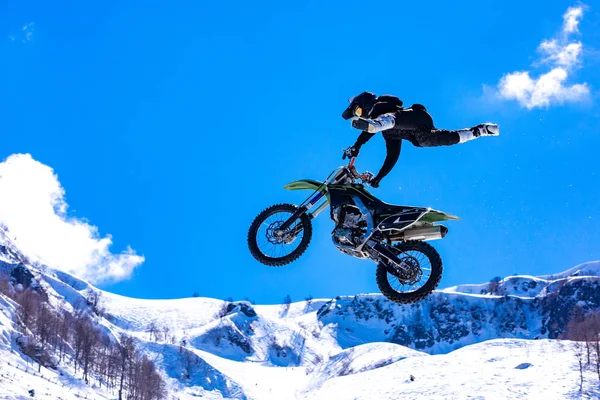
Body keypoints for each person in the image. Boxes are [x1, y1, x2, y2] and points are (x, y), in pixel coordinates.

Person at [342, 91, 499, 188]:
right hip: (421, 135)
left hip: (415, 117)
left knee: (385, 121)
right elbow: (392, 156)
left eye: (359, 110)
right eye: (358, 113)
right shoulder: (388, 133)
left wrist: (357, 145)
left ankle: (377, 124)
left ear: (365, 102)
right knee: (450, 138)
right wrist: (379, 177)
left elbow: (369, 131)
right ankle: (481, 130)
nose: (361, 114)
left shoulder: (381, 106)